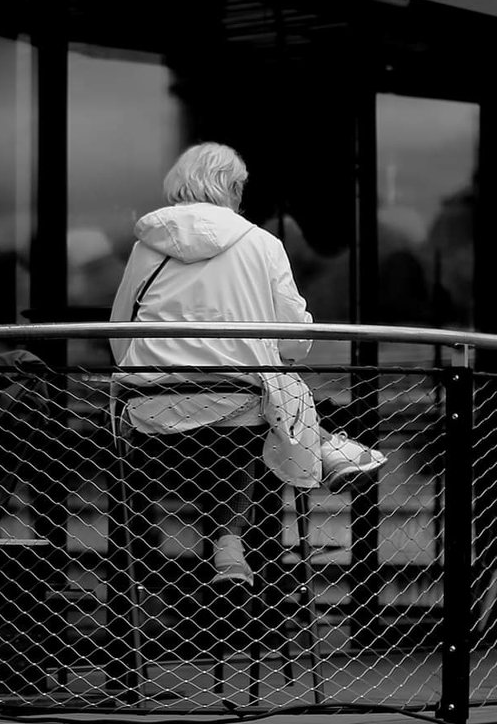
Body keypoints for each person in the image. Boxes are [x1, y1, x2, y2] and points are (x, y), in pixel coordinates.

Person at [108, 142, 377, 587]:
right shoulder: (262, 244)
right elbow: (297, 342)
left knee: (232, 407)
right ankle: (234, 534)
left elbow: (120, 331)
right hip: (241, 426)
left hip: (151, 426)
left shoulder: (145, 248)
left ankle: (148, 568)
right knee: (271, 393)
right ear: (233, 188)